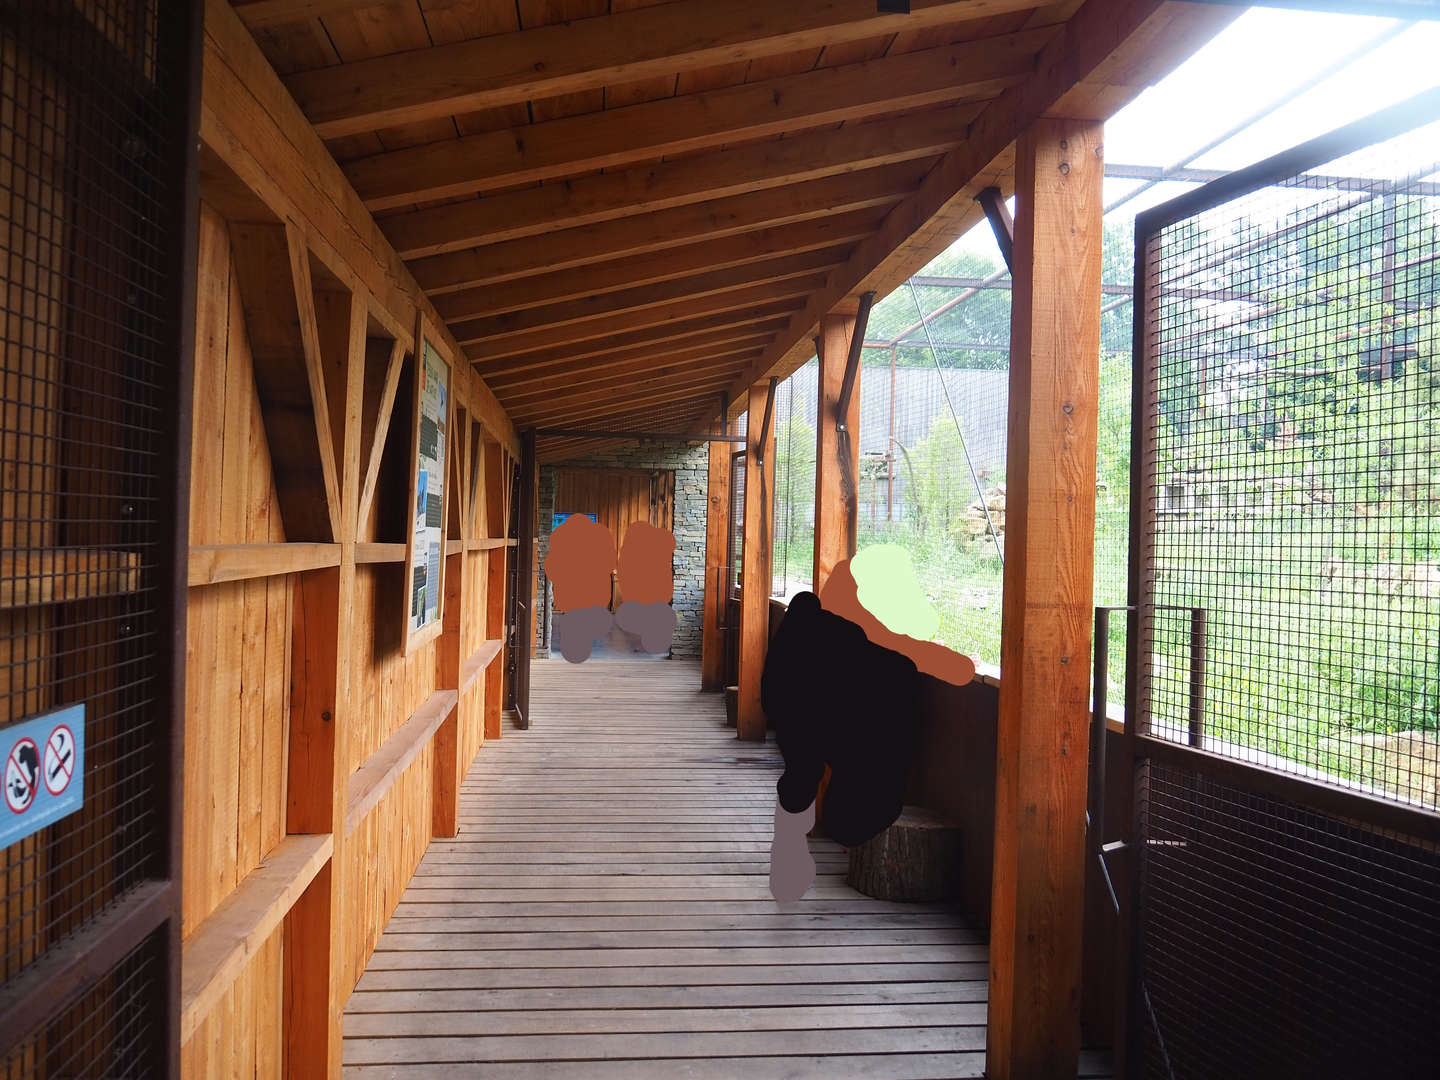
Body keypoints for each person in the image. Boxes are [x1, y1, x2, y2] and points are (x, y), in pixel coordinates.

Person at [762, 547, 973, 902]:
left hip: (791, 699)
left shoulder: (815, 616)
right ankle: (825, 824)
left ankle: (794, 829)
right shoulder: (889, 660)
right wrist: (929, 651)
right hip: (839, 714)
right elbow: (961, 670)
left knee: (802, 769)